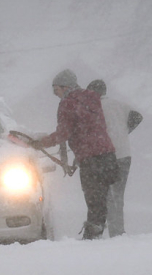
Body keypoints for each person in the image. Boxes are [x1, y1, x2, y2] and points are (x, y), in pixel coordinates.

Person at [27, 69, 119, 240]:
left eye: (56, 90)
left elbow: (63, 133)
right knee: (101, 198)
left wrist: (41, 143)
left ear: (65, 87)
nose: (56, 95)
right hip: (107, 155)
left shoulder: (67, 103)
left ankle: (92, 235)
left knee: (93, 198)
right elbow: (90, 127)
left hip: (91, 158)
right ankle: (97, 232)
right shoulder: (92, 98)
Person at [86, 79, 143, 237]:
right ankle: (118, 230)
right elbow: (138, 117)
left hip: (106, 156)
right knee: (118, 194)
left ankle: (113, 231)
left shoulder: (94, 109)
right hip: (124, 154)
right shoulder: (120, 105)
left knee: (107, 195)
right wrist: (125, 131)